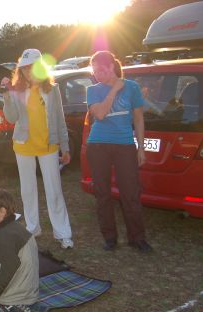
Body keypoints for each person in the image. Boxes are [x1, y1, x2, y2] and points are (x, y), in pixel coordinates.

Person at [1, 48, 74, 249]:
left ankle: (63, 233)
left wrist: (65, 147)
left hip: (48, 146)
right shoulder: (17, 90)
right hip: (23, 146)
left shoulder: (52, 89)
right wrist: (7, 96)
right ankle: (33, 228)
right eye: (23, 69)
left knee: (54, 190)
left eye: (31, 67)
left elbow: (59, 120)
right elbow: (12, 118)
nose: (27, 72)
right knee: (28, 190)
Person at [86, 51, 152, 253]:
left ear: (112, 67)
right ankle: (110, 238)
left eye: (102, 69)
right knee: (102, 193)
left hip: (124, 145)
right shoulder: (92, 90)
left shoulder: (131, 88)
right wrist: (114, 89)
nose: (98, 74)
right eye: (95, 70)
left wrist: (141, 147)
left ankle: (137, 238)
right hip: (98, 146)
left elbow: (139, 119)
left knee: (130, 193)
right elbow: (100, 113)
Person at [0, 189, 39, 312]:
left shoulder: (3, 237)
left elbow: (1, 272)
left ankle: (8, 307)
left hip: (14, 297)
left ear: (2, 211)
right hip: (27, 291)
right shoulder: (15, 227)